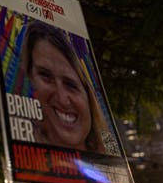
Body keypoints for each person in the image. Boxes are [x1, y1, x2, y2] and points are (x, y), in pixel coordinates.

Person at [21, 19, 108, 153]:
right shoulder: (23, 152)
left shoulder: (111, 159)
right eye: (45, 76)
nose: (62, 99)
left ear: (90, 97)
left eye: (71, 85)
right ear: (30, 77)